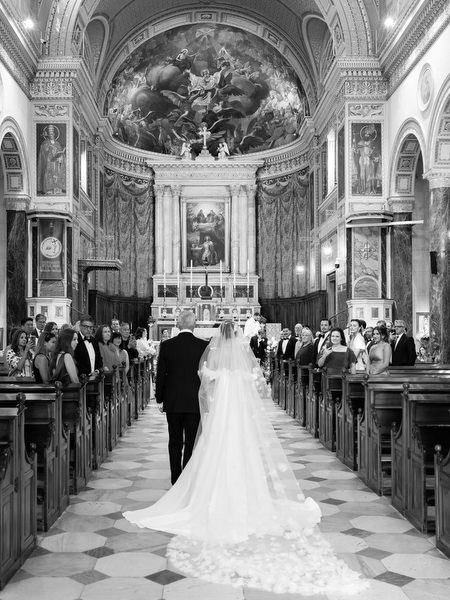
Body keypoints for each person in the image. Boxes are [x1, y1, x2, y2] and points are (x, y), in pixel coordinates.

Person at [123, 321, 366, 595]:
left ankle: (208, 491)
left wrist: (207, 380)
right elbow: (258, 382)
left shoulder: (214, 362)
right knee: (244, 454)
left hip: (220, 422)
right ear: (237, 337)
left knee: (210, 451)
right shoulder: (242, 366)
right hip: (241, 422)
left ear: (219, 337)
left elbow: (205, 378)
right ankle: (248, 494)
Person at [154, 310, 209, 484]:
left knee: (175, 441)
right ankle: (187, 479)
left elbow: (161, 374)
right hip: (194, 401)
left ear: (178, 324)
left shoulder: (168, 345)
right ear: (195, 325)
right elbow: (205, 376)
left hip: (174, 401)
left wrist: (160, 398)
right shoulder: (202, 346)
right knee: (192, 441)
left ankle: (175, 479)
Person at [37, 124, 66, 195]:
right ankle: (49, 190)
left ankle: (57, 190)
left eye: (52, 134)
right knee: (49, 175)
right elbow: (43, 153)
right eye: (50, 134)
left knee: (58, 173)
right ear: (48, 135)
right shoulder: (45, 143)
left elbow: (60, 153)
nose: (51, 135)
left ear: (54, 134)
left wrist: (60, 157)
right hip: (49, 162)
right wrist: (49, 149)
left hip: (57, 163)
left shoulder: (57, 144)